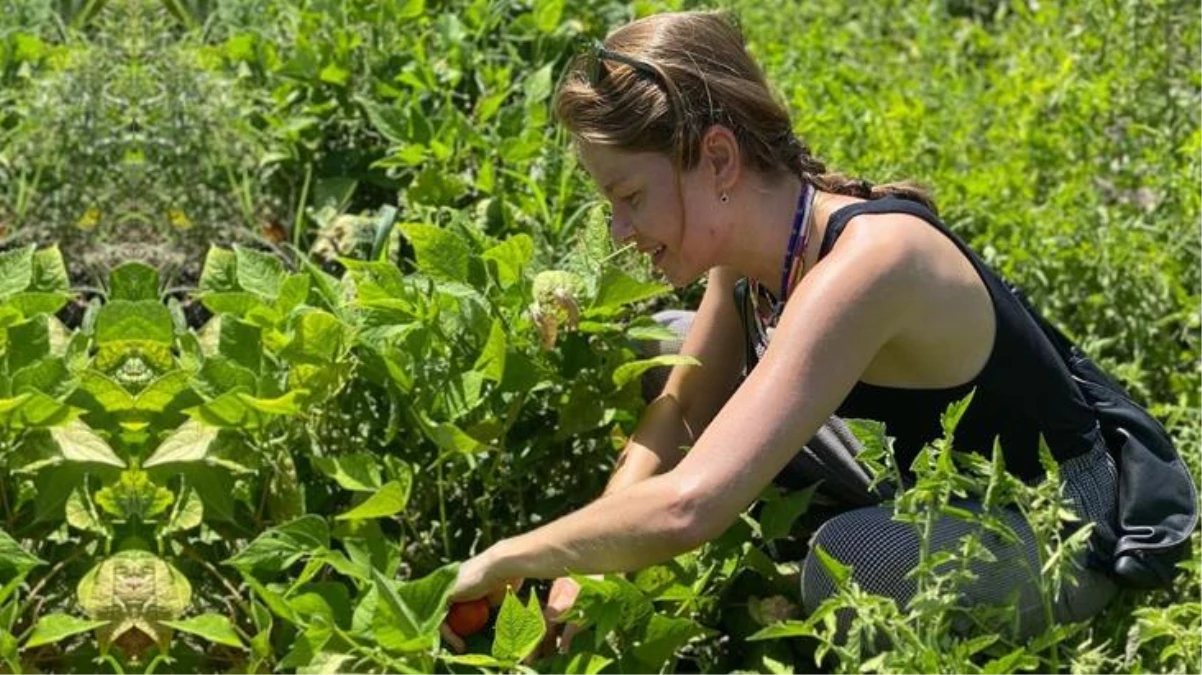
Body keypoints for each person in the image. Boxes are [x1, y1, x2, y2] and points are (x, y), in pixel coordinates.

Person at [443, 9, 1128, 655]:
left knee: (843, 567)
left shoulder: (871, 262)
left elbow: (691, 506)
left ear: (717, 159)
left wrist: (509, 554)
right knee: (664, 339)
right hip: (928, 468)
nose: (619, 232)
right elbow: (683, 405)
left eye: (630, 198)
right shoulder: (753, 252)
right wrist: (595, 551)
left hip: (1052, 520)